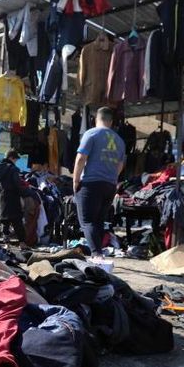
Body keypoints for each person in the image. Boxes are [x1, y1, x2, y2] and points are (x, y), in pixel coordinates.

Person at [73, 107, 125, 258]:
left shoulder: (91, 133)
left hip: (91, 183)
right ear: (111, 121)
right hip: (110, 184)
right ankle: (99, 253)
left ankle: (97, 255)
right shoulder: (119, 140)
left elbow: (81, 158)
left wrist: (76, 180)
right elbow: (120, 165)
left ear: (96, 119)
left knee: (87, 221)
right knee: (98, 221)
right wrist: (112, 178)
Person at [0, 150, 27, 245]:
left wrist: (1, 191)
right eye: (15, 160)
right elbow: (17, 184)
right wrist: (22, 195)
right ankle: (22, 243)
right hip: (13, 197)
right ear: (11, 158)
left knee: (5, 221)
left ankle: (6, 243)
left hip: (2, 197)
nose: (15, 162)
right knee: (17, 221)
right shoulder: (13, 169)